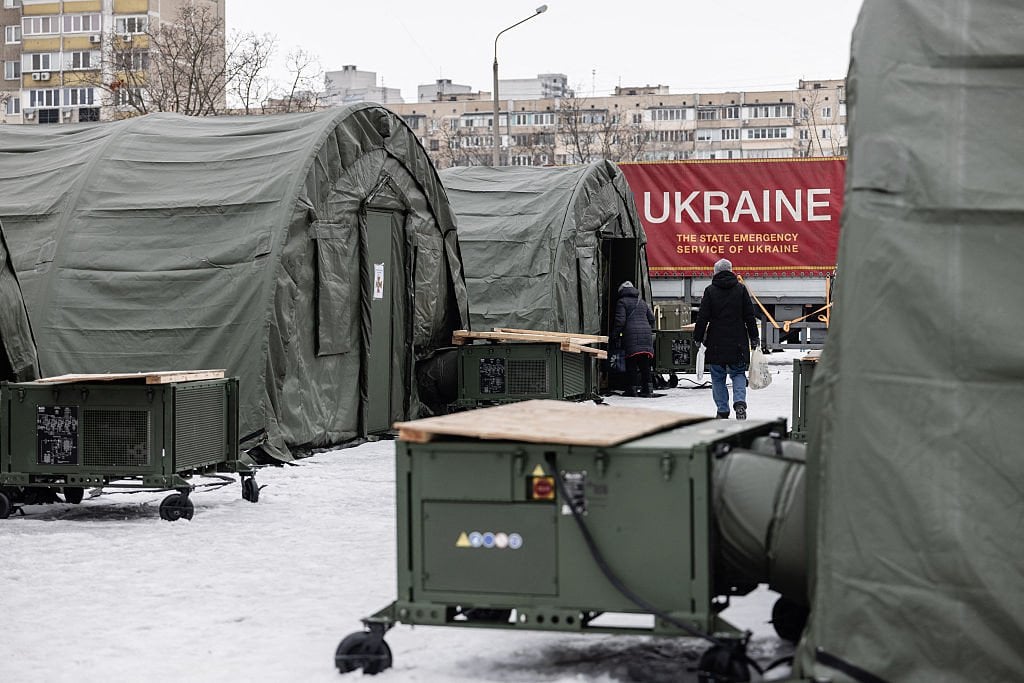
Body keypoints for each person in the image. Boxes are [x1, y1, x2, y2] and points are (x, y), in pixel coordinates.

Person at [693, 259, 759, 419]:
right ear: (730, 270)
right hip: (738, 340)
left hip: (716, 341)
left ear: (715, 272)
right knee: (738, 373)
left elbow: (702, 317)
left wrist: (698, 337)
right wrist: (754, 337)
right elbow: (749, 316)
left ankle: (722, 410)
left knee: (717, 377)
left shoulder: (710, 291)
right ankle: (740, 402)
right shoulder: (740, 289)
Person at [612, 280, 656, 397]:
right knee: (644, 363)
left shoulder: (622, 302)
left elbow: (620, 321)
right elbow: (652, 318)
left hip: (631, 334)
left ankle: (632, 389)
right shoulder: (641, 302)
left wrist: (615, 335)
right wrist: (646, 329)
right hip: (646, 335)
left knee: (631, 362)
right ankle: (648, 389)